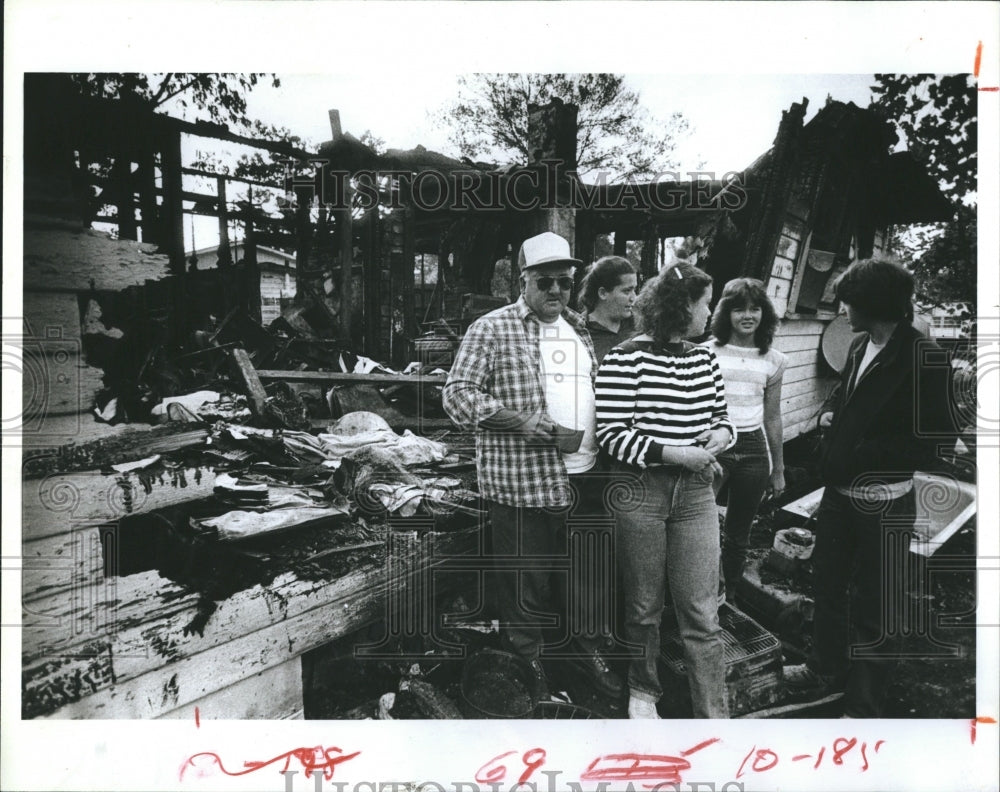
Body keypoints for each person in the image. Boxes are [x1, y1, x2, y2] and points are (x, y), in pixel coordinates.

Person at [442, 231, 623, 699]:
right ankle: (528, 671)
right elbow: (457, 396)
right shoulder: (492, 327)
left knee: (588, 579)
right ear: (523, 281)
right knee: (526, 585)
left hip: (587, 476)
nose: (556, 292)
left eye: (564, 282)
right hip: (524, 483)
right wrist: (517, 421)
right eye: (545, 283)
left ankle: (586, 657)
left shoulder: (580, 328)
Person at [783, 258, 957, 717]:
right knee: (827, 586)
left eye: (850, 300)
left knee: (877, 605)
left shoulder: (926, 357)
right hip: (839, 497)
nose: (843, 308)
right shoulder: (860, 344)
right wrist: (831, 426)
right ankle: (823, 668)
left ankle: (861, 706)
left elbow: (934, 438)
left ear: (875, 303)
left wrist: (858, 454)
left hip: (885, 502)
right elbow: (849, 401)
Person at [596, 262, 735, 719]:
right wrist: (676, 454)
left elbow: (722, 417)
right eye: (705, 303)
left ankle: (713, 715)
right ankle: (644, 694)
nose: (710, 311)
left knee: (701, 610)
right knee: (643, 605)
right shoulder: (625, 358)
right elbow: (612, 435)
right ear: (682, 307)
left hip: (695, 493)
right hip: (640, 491)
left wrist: (720, 436)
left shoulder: (704, 358)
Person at [704, 278, 787, 605]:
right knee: (702, 530)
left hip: (754, 450)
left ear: (765, 313)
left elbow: (773, 416)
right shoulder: (706, 352)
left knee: (738, 535)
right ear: (726, 313)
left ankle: (732, 596)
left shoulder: (774, 359)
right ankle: (708, 592)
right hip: (714, 447)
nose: (747, 315)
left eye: (754, 308)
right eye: (739, 308)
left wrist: (778, 468)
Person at [578, 256, 639, 363]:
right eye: (626, 291)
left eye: (634, 290)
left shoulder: (639, 326)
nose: (633, 298)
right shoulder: (580, 331)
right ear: (603, 293)